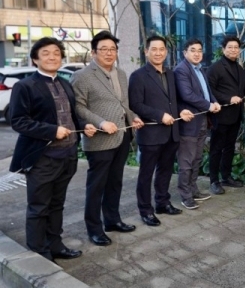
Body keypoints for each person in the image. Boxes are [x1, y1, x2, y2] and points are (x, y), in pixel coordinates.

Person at [9, 37, 82, 262]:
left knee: (57, 205)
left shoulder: (65, 82)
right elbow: (18, 120)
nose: (52, 57)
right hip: (42, 158)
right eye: (46, 53)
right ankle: (39, 251)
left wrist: (83, 127)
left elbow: (70, 115)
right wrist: (51, 131)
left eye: (56, 53)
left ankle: (55, 244)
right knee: (39, 207)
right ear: (35, 59)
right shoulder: (25, 86)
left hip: (68, 155)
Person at [72, 31, 144, 246]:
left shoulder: (121, 74)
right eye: (103, 49)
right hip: (100, 139)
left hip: (122, 135)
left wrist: (134, 117)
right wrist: (101, 122)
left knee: (115, 182)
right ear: (94, 52)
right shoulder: (83, 76)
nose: (109, 53)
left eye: (112, 49)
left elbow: (124, 104)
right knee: (96, 186)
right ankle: (94, 228)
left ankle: (112, 220)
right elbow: (78, 106)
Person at [129, 35, 194, 227]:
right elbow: (136, 104)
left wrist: (181, 110)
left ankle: (162, 203)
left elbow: (174, 100)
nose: (158, 53)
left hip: (171, 132)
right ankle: (146, 210)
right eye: (154, 49)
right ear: (146, 51)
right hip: (151, 134)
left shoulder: (170, 74)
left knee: (165, 171)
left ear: (166, 52)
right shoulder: (138, 76)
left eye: (162, 49)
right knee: (146, 174)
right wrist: (159, 115)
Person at [207, 36, 245, 195]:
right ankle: (214, 181)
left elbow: (241, 93)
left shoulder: (240, 69)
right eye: (230, 47)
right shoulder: (215, 68)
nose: (234, 50)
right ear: (223, 49)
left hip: (234, 116)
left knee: (229, 148)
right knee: (216, 149)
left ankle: (226, 177)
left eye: (236, 47)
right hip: (220, 115)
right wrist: (228, 99)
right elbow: (209, 92)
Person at [174, 38, 221, 209]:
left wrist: (214, 102)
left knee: (197, 158)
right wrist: (209, 105)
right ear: (185, 53)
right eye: (192, 50)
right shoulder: (181, 70)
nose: (197, 53)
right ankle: (185, 195)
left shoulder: (200, 69)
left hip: (202, 121)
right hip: (189, 123)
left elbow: (207, 92)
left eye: (199, 50)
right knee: (186, 162)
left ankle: (193, 190)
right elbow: (187, 95)